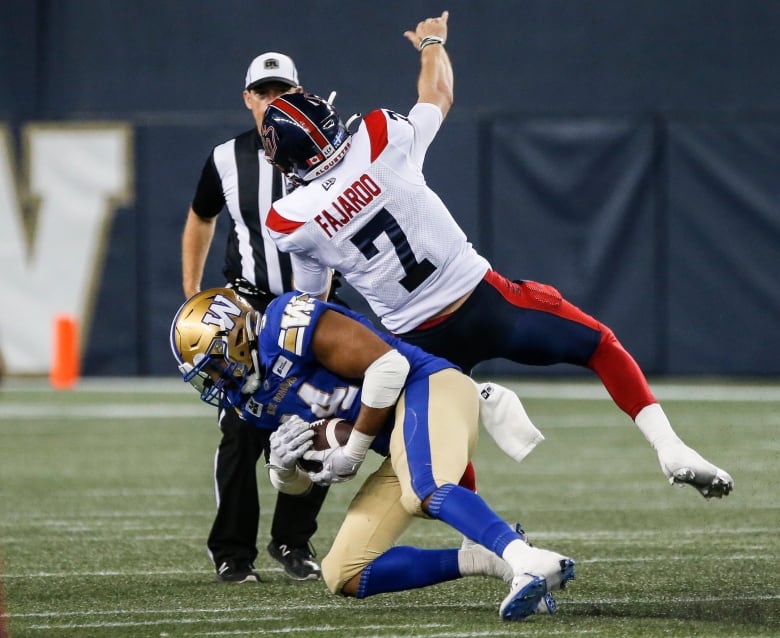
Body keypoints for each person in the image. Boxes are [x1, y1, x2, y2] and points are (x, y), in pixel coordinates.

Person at [259, 12, 733, 500]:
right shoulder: (380, 136)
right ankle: (670, 447)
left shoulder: (289, 220)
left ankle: (484, 537)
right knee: (600, 346)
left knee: (446, 440)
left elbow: (313, 303)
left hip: (417, 340)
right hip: (486, 302)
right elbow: (438, 95)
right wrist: (432, 43)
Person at [170, 286, 576, 621]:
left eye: (214, 366)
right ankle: (493, 562)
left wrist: (353, 449)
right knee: (342, 573)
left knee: (425, 489)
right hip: (399, 438)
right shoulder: (251, 403)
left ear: (236, 338)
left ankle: (526, 559)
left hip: (430, 387)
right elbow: (301, 483)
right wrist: (282, 470)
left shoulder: (285, 325)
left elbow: (389, 367)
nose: (215, 381)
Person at [179, 51, 327, 583]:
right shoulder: (225, 158)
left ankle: (293, 541)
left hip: (317, 309)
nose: (271, 101)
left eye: (281, 91)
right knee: (240, 430)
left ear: (299, 92)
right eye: (262, 93)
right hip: (251, 309)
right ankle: (232, 552)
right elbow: (201, 216)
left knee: (320, 423)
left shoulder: (326, 154)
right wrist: (193, 292)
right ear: (247, 98)